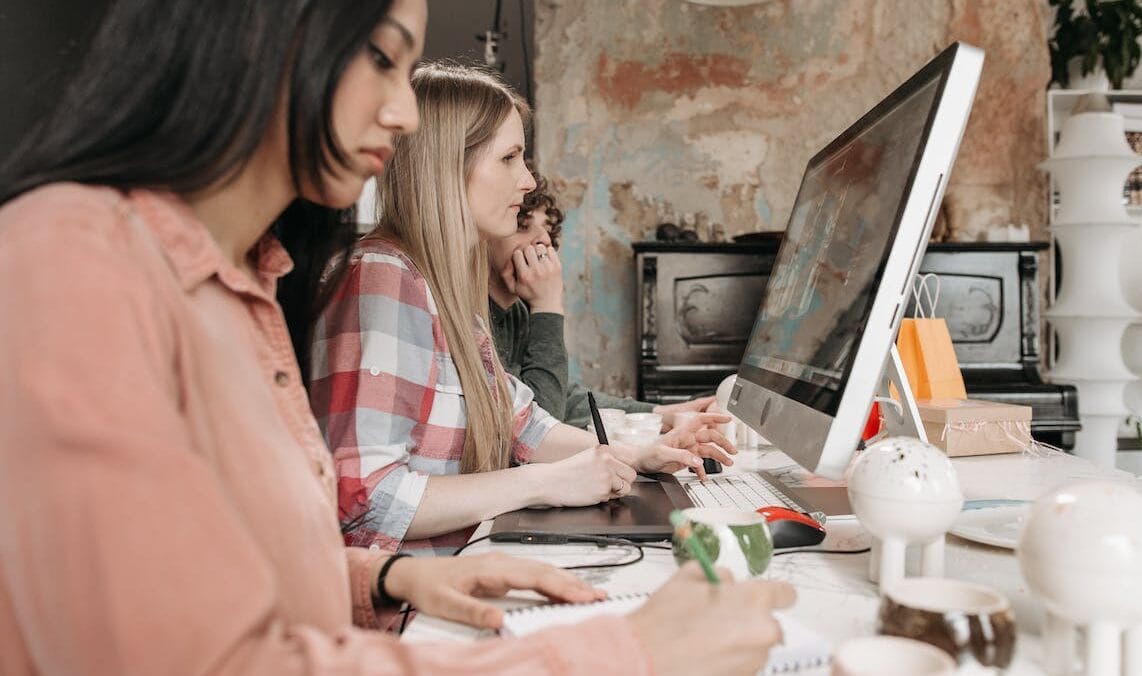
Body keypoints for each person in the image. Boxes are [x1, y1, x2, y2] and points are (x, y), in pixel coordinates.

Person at [0, 1, 794, 674]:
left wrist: (386, 579)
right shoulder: (73, 260)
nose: (406, 111)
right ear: (259, 32)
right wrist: (628, 650)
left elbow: (232, 569)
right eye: (383, 58)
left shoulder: (248, 286)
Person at [308, 62, 736, 554]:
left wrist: (641, 455)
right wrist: (543, 483)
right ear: (448, 165)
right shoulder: (382, 280)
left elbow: (521, 421)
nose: (529, 180)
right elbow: (364, 500)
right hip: (411, 611)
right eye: (510, 158)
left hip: (472, 567)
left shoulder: (441, 285)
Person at [487, 172, 716, 429]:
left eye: (549, 231)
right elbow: (539, 429)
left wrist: (660, 414)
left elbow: (564, 398)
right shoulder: (475, 318)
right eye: (523, 225)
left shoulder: (516, 313)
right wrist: (547, 306)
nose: (545, 241)